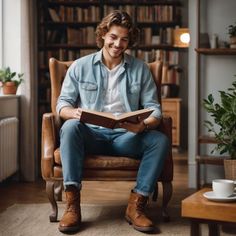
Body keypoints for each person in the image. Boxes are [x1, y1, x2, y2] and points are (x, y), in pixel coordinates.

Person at [56, 10, 169, 233]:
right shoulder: (80, 66)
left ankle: (136, 206)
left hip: (125, 137)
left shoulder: (140, 69)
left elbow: (154, 108)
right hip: (90, 135)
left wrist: (144, 125)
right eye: (113, 37)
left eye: (124, 39)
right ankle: (72, 206)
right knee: (70, 127)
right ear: (103, 35)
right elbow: (62, 105)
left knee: (159, 140)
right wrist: (74, 113)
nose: (118, 44)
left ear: (130, 41)